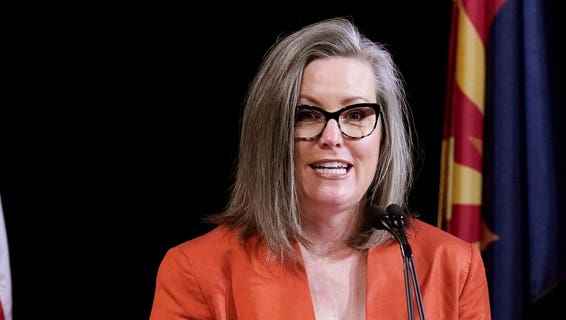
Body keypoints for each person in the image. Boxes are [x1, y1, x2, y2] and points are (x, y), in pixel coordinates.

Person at [149, 17, 491, 319]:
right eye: (307, 115)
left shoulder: (453, 266)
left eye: (356, 115)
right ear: (272, 135)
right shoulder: (196, 271)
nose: (332, 137)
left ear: (385, 137)